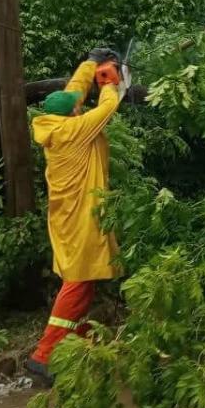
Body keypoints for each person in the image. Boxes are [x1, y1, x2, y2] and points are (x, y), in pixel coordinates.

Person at [24, 49, 127, 385]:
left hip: (68, 216)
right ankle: (44, 355)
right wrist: (110, 81)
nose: (79, 103)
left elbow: (74, 91)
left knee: (83, 283)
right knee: (78, 284)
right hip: (81, 217)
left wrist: (90, 63)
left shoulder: (56, 123)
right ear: (73, 114)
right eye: (77, 105)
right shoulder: (75, 131)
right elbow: (108, 107)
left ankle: (77, 346)